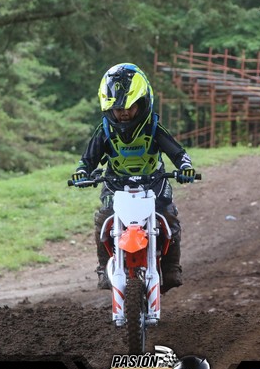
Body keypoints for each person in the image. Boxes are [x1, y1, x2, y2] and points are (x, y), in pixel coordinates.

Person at [71, 63, 196, 294]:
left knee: (169, 216)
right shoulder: (105, 130)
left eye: (130, 106)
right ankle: (103, 268)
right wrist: (82, 172)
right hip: (115, 183)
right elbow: (88, 159)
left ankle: (171, 267)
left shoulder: (153, 127)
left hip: (154, 181)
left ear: (143, 103)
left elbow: (177, 153)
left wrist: (185, 167)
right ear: (109, 108)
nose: (124, 113)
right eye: (118, 108)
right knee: (103, 219)